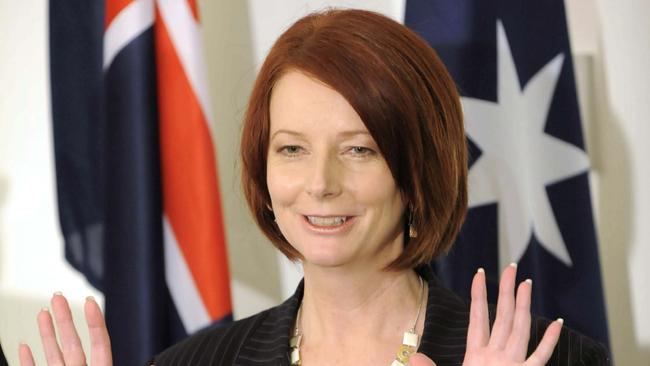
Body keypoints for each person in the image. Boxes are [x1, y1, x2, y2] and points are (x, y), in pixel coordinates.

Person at [19, 9, 609, 366]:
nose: (320, 185)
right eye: (292, 149)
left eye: (359, 150)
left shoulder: (556, 360)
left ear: (419, 171)